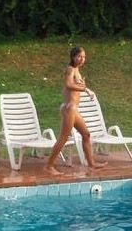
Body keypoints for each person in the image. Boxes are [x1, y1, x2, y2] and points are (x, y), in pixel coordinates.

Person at [45, 46, 106, 175]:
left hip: (73, 109)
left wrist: (82, 85)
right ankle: (49, 166)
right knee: (64, 137)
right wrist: (85, 89)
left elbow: (74, 86)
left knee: (86, 134)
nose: (82, 59)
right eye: (79, 56)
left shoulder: (77, 70)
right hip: (70, 108)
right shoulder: (70, 69)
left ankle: (92, 164)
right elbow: (68, 85)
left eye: (84, 57)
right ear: (73, 57)